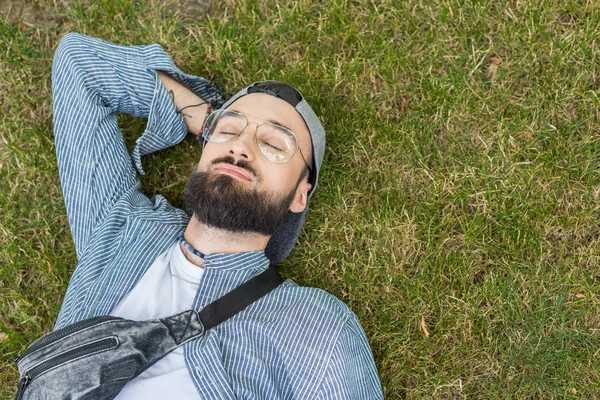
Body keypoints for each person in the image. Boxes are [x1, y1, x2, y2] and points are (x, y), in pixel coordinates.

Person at [50, 32, 383, 399]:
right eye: (229, 130)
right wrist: (202, 115)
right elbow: (78, 64)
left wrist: (223, 125)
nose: (240, 146)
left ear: (300, 195)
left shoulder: (316, 327)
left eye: (274, 143)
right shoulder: (120, 227)